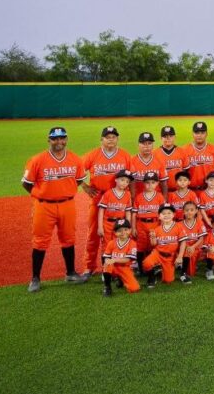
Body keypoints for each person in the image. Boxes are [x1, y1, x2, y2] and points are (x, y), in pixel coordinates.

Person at [22, 126, 86, 292]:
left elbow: (79, 180)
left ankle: (70, 273)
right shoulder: (37, 160)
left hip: (67, 204)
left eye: (62, 138)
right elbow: (26, 183)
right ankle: (35, 278)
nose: (59, 141)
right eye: (55, 138)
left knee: (69, 238)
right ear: (49, 140)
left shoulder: (75, 159)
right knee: (40, 241)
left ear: (66, 139)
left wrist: (64, 189)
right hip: (44, 206)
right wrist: (41, 195)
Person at [81, 125, 130, 278]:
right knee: (94, 233)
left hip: (119, 199)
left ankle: (118, 266)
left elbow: (132, 178)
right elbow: (76, 170)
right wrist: (85, 187)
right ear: (102, 139)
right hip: (98, 197)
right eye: (107, 137)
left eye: (113, 137)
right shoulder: (92, 155)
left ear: (117, 139)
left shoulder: (124, 155)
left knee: (120, 233)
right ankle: (88, 267)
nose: (110, 140)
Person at [142, 204, 182, 287]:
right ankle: (152, 277)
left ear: (173, 215)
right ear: (159, 216)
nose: (166, 215)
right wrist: (153, 237)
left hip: (170, 256)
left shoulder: (178, 226)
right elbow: (154, 244)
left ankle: (159, 270)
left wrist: (180, 256)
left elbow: (183, 242)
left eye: (169, 213)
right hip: (158, 253)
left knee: (168, 280)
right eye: (163, 213)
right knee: (146, 263)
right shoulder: (157, 229)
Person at [97, 170, 134, 258]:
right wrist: (100, 227)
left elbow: (128, 212)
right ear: (116, 179)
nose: (124, 183)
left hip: (120, 225)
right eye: (122, 180)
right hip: (107, 224)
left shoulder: (127, 194)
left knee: (118, 245)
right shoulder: (108, 193)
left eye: (127, 181)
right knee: (106, 246)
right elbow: (101, 210)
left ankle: (115, 265)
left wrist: (128, 227)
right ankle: (106, 266)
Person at [133, 173, 165, 269]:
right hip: (141, 224)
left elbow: (163, 213)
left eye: (153, 182)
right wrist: (133, 227)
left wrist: (162, 227)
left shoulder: (160, 196)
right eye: (147, 182)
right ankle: (140, 268)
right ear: (143, 183)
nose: (150, 185)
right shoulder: (139, 197)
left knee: (154, 245)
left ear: (157, 183)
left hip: (155, 224)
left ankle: (152, 266)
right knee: (140, 247)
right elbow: (134, 214)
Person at [100, 219, 140, 297]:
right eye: (119, 231)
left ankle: (121, 279)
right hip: (114, 267)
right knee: (107, 265)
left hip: (125, 268)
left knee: (134, 288)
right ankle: (107, 287)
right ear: (115, 233)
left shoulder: (132, 243)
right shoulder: (111, 243)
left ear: (130, 230)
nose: (123, 232)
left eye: (125, 229)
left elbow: (128, 259)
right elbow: (106, 257)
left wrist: (114, 260)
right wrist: (108, 261)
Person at [182, 121, 214, 190]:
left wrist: (212, 179)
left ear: (206, 134)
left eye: (202, 133)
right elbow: (182, 171)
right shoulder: (184, 150)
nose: (199, 135)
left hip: (209, 190)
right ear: (192, 134)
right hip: (190, 190)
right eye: (197, 133)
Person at [177, 200, 207, 282]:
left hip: (195, 247)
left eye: (192, 210)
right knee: (186, 253)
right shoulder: (179, 224)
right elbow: (179, 241)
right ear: (183, 211)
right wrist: (187, 247)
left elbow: (201, 238)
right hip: (184, 248)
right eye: (187, 210)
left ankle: (182, 265)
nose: (189, 212)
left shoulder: (199, 222)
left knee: (191, 273)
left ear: (196, 211)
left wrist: (193, 246)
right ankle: (182, 271)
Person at [156, 125, 187, 191]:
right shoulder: (154, 154)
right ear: (161, 138)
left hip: (179, 191)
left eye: (170, 136)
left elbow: (186, 172)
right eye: (165, 137)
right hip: (160, 191)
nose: (168, 138)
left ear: (175, 137)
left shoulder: (182, 152)